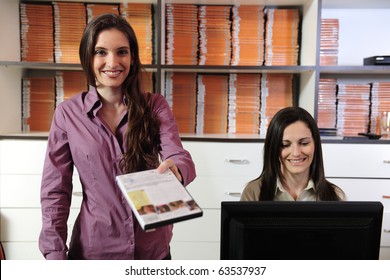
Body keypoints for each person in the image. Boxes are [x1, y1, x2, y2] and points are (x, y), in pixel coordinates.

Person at [39, 13, 196, 260]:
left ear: (132, 58)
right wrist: (54, 253)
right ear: (88, 58)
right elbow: (55, 191)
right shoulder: (67, 114)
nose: (112, 62)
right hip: (95, 251)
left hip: (151, 252)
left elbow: (178, 155)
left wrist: (176, 169)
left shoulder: (155, 106)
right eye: (101, 52)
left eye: (121, 52)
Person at [241, 107, 345, 201]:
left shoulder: (335, 195)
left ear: (315, 144)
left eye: (304, 143)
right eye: (285, 145)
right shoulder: (253, 193)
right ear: (274, 149)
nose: (296, 153)